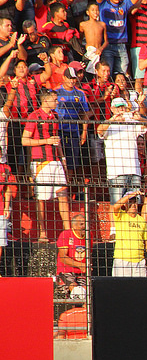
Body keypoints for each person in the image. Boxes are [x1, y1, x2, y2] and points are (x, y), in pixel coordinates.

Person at [22, 88, 70, 242]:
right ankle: (42, 232)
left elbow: (57, 140)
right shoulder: (34, 116)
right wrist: (46, 141)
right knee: (41, 198)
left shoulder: (55, 116)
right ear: (46, 100)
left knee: (63, 195)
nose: (57, 102)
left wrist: (63, 159)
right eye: (55, 100)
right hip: (41, 162)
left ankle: (68, 232)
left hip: (56, 161)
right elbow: (25, 140)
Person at [97, 97, 147, 238]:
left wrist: (139, 117)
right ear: (112, 109)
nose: (121, 110)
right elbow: (99, 130)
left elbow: (146, 125)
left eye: (123, 107)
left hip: (134, 169)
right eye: (118, 107)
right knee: (116, 201)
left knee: (134, 202)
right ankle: (114, 231)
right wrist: (113, 119)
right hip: (116, 171)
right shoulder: (109, 124)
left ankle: (132, 230)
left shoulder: (131, 122)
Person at [111, 190, 147, 276]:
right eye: (130, 202)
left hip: (139, 261)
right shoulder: (121, 215)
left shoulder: (141, 220)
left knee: (140, 287)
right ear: (125, 204)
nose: (133, 205)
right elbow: (116, 206)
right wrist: (131, 195)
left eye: (134, 202)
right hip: (122, 260)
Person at [97, 0, 144, 76]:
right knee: (107, 74)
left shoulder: (124, 4)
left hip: (121, 45)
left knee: (121, 75)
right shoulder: (103, 4)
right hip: (107, 45)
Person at [55, 214, 92, 296]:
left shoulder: (89, 235)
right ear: (74, 226)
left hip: (81, 272)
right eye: (81, 224)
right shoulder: (66, 234)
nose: (85, 226)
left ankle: (83, 308)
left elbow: (89, 255)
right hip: (66, 270)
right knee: (76, 290)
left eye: (86, 223)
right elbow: (63, 258)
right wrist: (81, 265)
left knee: (85, 293)